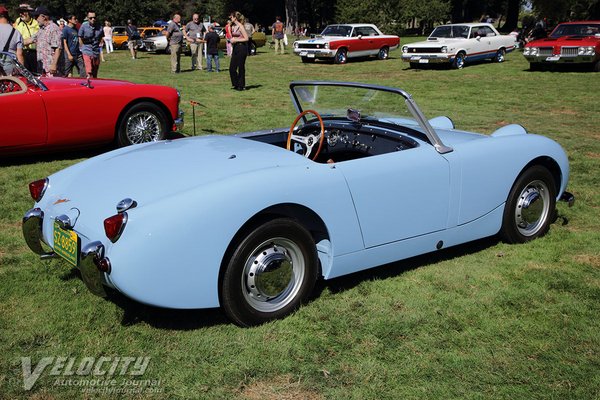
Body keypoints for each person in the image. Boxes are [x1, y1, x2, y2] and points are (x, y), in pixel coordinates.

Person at [33, 6, 61, 76]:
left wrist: (54, 65)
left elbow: (58, 48)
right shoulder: (41, 30)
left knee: (52, 86)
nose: (35, 19)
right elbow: (30, 40)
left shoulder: (54, 28)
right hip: (42, 69)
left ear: (43, 17)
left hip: (51, 69)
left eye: (36, 16)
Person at [13, 3, 38, 72]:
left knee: (35, 74)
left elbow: (36, 38)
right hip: (21, 52)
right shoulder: (18, 22)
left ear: (29, 12)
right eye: (19, 12)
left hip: (33, 53)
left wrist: (22, 42)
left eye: (23, 12)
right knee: (23, 74)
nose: (20, 14)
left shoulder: (35, 23)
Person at [78, 10, 103, 78]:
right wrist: (82, 47)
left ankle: (94, 83)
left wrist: (100, 44)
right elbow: (80, 37)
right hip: (86, 50)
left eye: (94, 17)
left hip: (96, 51)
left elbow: (101, 37)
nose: (93, 19)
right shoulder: (84, 26)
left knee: (95, 71)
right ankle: (88, 82)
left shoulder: (100, 27)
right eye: (91, 18)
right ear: (87, 18)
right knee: (89, 71)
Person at [228, 11, 248, 91]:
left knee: (241, 67)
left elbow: (246, 38)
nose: (230, 18)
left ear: (235, 18)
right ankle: (235, 83)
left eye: (231, 17)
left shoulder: (241, 26)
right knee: (232, 68)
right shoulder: (234, 26)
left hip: (241, 48)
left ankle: (241, 85)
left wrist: (236, 39)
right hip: (236, 47)